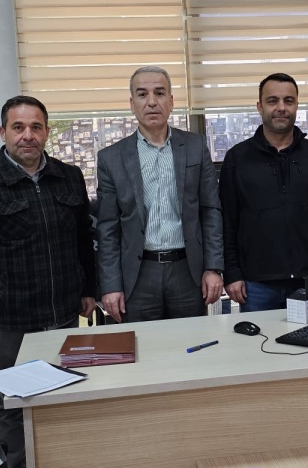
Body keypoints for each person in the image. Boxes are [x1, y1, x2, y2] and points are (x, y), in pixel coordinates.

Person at [0, 95, 96, 468]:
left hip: (63, 309)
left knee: (63, 391)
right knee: (13, 397)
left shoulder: (69, 177)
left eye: (35, 127)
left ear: (46, 132)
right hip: (11, 316)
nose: (27, 135)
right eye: (18, 127)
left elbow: (84, 240)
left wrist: (89, 289)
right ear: (3, 132)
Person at [96, 66, 224, 322]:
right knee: (143, 345)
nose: (152, 102)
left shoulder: (195, 147)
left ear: (171, 101)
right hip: (138, 274)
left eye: (160, 93)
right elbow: (108, 228)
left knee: (192, 342)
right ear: (132, 104)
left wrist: (213, 267)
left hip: (188, 271)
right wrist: (110, 285)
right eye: (142, 94)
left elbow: (211, 211)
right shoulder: (111, 158)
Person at [219, 73, 308, 312]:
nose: (281, 108)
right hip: (255, 286)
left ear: (297, 105)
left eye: (289, 101)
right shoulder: (237, 158)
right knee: (258, 338)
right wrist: (232, 273)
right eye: (272, 101)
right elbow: (227, 222)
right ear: (259, 106)